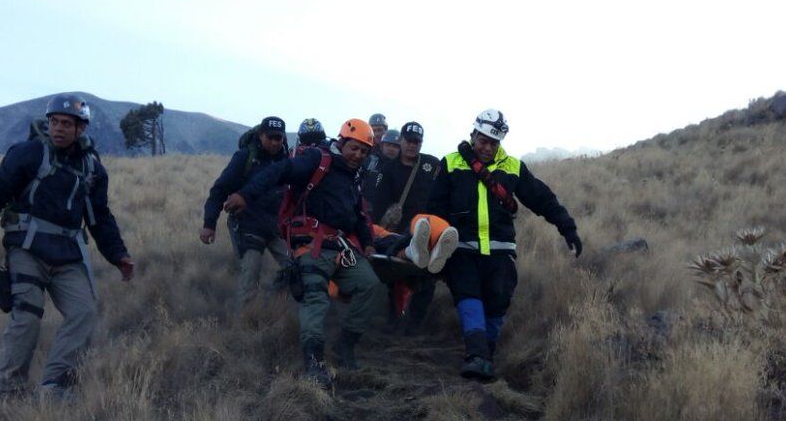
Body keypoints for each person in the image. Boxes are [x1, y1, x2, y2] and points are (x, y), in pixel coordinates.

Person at [0, 93, 135, 398]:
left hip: (68, 255)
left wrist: (118, 255)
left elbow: (99, 218)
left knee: (84, 314)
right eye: (54, 121)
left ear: (81, 128)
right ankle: (9, 392)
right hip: (27, 249)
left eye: (66, 123)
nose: (58, 128)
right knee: (27, 316)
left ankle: (54, 385)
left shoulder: (93, 169)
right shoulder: (27, 154)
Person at [222, 119, 380, 389]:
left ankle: (346, 346)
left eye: (364, 152)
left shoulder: (353, 177)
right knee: (315, 299)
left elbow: (356, 214)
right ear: (342, 142)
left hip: (340, 247)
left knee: (370, 286)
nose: (358, 156)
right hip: (311, 244)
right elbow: (280, 171)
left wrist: (367, 242)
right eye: (354, 148)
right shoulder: (318, 159)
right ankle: (314, 363)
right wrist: (246, 195)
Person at [427, 109, 582, 380]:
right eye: (483, 140)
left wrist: (567, 227)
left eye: (493, 143)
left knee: (498, 301)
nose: (487, 147)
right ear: (473, 135)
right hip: (462, 248)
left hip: (500, 250)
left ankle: (485, 355)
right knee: (469, 295)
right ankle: (475, 356)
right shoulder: (451, 163)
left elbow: (541, 199)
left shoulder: (512, 167)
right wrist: (435, 242)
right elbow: (434, 208)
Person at [200, 116, 293, 309]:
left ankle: (273, 301)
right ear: (261, 135)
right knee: (250, 275)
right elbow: (219, 190)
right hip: (246, 225)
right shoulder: (244, 157)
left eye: (280, 138)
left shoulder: (286, 160)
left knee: (296, 267)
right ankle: (242, 327)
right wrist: (209, 225)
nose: (276, 142)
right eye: (271, 137)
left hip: (275, 227)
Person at [367, 121, 448, 332]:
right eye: (409, 141)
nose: (413, 145)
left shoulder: (431, 164)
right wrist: (379, 226)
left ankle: (415, 325)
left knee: (426, 277)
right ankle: (393, 320)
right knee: (395, 279)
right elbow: (379, 201)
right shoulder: (388, 169)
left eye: (417, 142)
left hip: (426, 229)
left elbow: (443, 192)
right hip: (396, 232)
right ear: (401, 140)